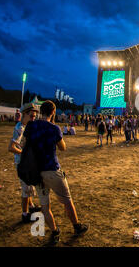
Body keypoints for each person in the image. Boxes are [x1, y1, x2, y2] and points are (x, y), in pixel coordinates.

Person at [23, 100, 88, 244]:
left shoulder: (31, 126)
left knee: (45, 206)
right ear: (53, 112)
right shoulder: (54, 129)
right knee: (67, 201)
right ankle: (76, 226)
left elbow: (24, 144)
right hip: (52, 169)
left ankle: (54, 231)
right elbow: (62, 147)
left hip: (36, 172)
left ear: (41, 111)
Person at [8, 103, 42, 222]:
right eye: (31, 116)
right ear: (24, 114)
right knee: (26, 188)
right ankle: (25, 214)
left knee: (29, 186)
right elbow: (11, 147)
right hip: (22, 162)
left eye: (35, 116)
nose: (33, 118)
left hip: (26, 161)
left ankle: (31, 206)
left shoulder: (26, 126)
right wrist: (24, 153)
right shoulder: (20, 128)